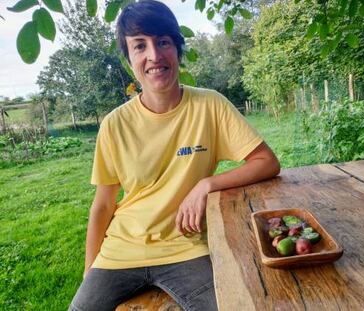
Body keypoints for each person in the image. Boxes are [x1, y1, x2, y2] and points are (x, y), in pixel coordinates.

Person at [68, 0, 280, 310]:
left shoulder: (211, 105)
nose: (154, 55)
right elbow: (102, 205)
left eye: (163, 42)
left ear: (177, 50)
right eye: (140, 46)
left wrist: (206, 185)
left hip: (187, 247)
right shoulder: (114, 124)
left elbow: (267, 162)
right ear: (129, 60)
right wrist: (89, 271)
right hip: (120, 251)